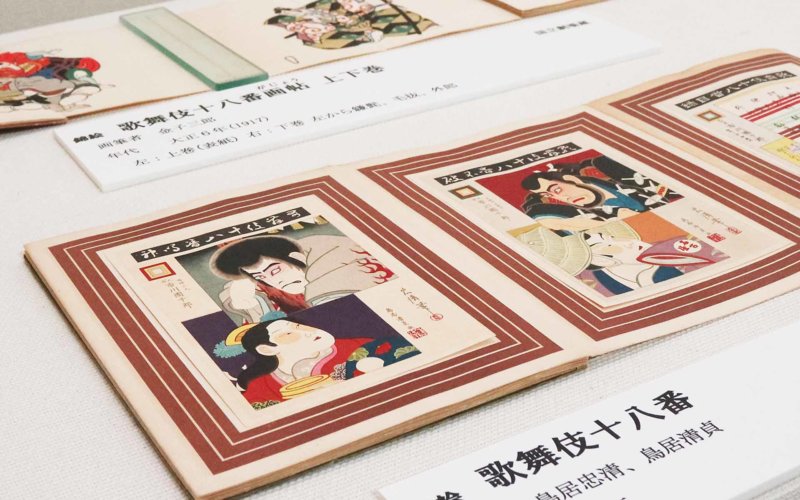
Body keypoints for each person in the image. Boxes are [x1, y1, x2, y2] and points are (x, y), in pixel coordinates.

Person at [234, 316, 418, 407]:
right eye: (289, 333)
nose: (307, 331)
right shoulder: (261, 387)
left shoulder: (362, 347)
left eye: (299, 326)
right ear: (267, 349)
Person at [210, 234, 394, 323]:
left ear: (296, 258)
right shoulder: (261, 288)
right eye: (260, 276)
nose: (276, 280)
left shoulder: (327, 254)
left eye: (275, 271)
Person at [520, 155, 682, 232]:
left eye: (557, 190)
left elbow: (672, 187)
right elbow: (540, 216)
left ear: (570, 179)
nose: (563, 198)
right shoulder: (580, 217)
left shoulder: (608, 168)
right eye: (551, 196)